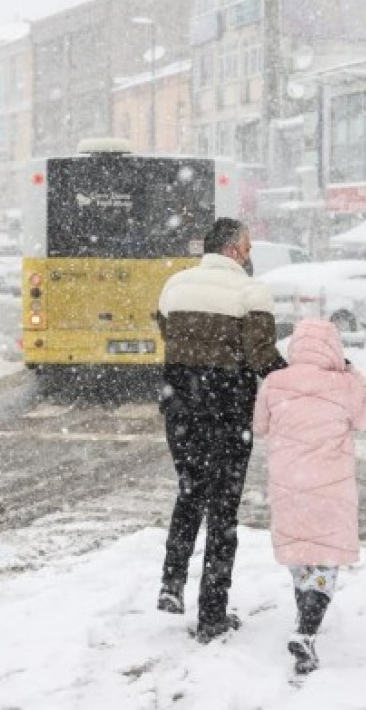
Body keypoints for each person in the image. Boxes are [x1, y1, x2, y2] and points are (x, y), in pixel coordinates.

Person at [155, 217, 287, 643]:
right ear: (233, 251)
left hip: (180, 405)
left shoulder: (174, 286)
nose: (250, 256)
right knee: (224, 508)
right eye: (247, 248)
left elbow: (167, 330)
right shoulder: (252, 292)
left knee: (190, 488)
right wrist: (301, 378)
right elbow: (262, 356)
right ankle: (212, 614)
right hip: (228, 409)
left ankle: (171, 583)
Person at [253, 318, 366, 674]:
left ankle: (303, 613)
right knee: (325, 559)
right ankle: (306, 630)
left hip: (289, 486)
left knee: (300, 554)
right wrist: (355, 373)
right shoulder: (344, 385)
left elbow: (259, 427)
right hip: (331, 490)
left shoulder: (274, 382)